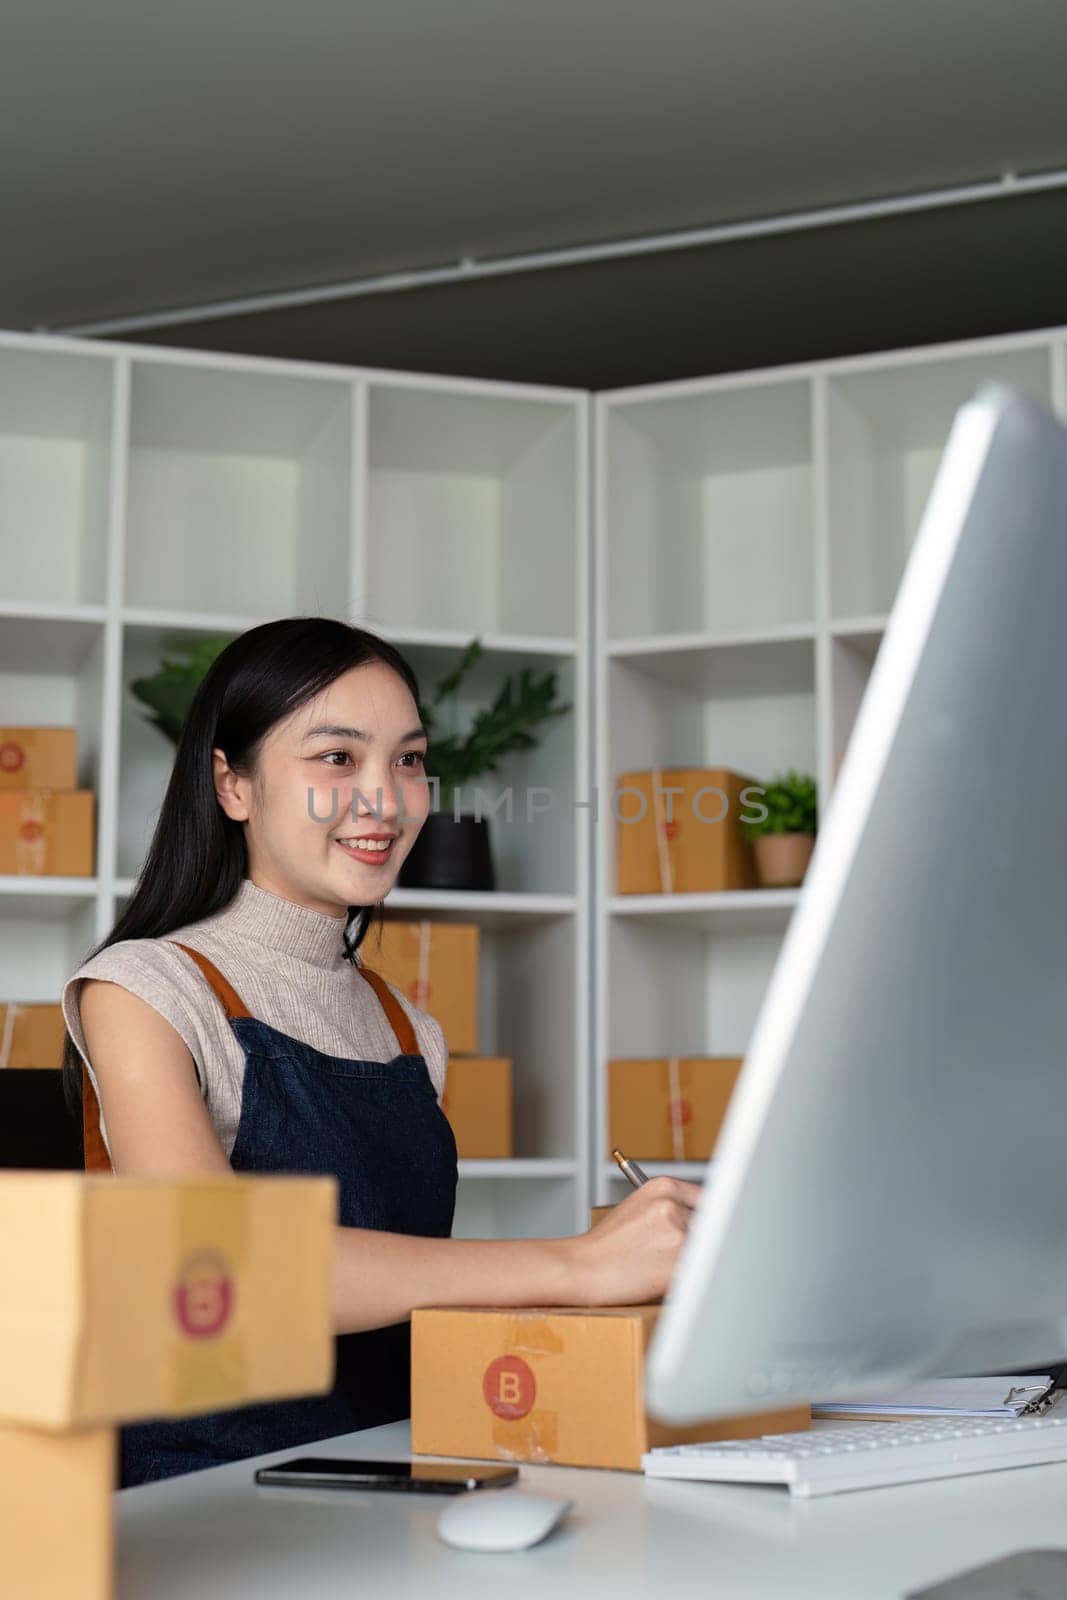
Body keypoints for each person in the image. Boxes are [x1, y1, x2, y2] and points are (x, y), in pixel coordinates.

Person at [60, 616, 700, 1487]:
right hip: (217, 1502)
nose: (385, 800)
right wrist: (579, 1264)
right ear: (233, 785)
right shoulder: (145, 990)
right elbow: (217, 1273)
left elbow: (411, 1288)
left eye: (407, 759)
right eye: (336, 758)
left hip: (403, 1469)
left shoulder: (408, 1027)